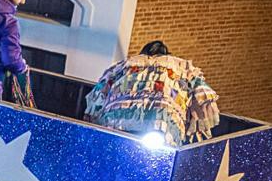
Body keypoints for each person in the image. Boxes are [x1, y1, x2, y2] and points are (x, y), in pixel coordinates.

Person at [86, 40, 221, 146]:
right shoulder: (183, 68)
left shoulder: (121, 66)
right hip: (161, 125)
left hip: (116, 123)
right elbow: (205, 98)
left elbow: (96, 98)